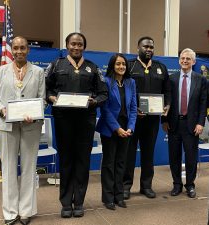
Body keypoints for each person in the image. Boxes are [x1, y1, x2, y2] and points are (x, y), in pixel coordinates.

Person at [46, 32, 108, 218]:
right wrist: (51, 98)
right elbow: (46, 88)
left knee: (82, 161)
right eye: (73, 44)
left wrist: (94, 101)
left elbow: (103, 93)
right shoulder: (56, 65)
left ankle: (79, 202)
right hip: (63, 119)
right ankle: (66, 203)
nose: (76, 47)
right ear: (67, 45)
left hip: (85, 121)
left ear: (84, 47)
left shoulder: (92, 68)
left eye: (80, 44)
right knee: (66, 161)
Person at [0, 36, 45, 225]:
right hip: (6, 125)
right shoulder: (0, 71)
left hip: (31, 126)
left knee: (29, 168)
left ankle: (26, 211)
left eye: (23, 48)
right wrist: (2, 109)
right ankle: (10, 212)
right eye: (16, 48)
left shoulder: (38, 72)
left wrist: (35, 113)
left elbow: (42, 99)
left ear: (28, 50)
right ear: (11, 50)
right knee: (8, 169)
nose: (19, 51)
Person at [123, 36, 171, 199]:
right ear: (138, 48)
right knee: (129, 153)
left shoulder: (161, 68)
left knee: (148, 153)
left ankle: (146, 186)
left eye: (151, 47)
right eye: (145, 47)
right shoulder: (129, 66)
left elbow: (167, 91)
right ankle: (125, 186)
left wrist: (167, 105)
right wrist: (133, 108)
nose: (149, 49)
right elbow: (122, 90)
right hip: (132, 119)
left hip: (152, 120)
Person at [162, 48, 207, 198]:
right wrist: (164, 120)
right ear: (179, 60)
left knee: (191, 157)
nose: (185, 61)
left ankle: (190, 185)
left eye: (188, 59)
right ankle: (176, 184)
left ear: (194, 62)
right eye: (182, 58)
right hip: (174, 124)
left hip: (192, 125)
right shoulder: (172, 78)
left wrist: (201, 123)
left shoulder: (200, 79)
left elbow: (203, 103)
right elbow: (166, 101)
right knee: (174, 156)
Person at [96, 53, 137, 210]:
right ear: (112, 65)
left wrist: (130, 127)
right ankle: (108, 198)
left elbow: (133, 107)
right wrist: (117, 128)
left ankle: (119, 195)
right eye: (118, 64)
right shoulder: (106, 82)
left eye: (124, 64)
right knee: (109, 163)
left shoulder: (130, 82)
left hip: (126, 127)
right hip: (110, 127)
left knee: (121, 163)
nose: (121, 67)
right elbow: (104, 110)